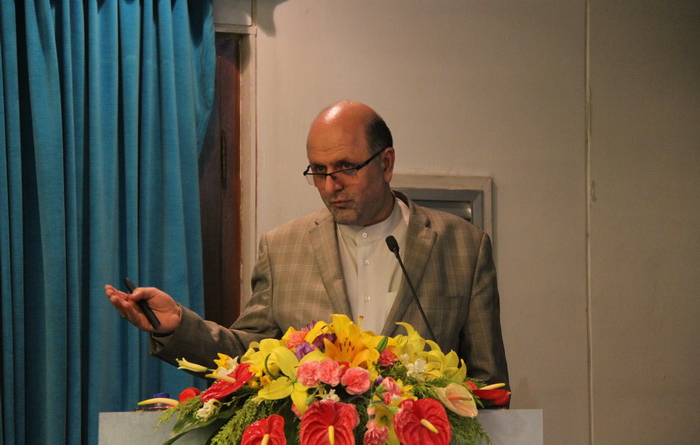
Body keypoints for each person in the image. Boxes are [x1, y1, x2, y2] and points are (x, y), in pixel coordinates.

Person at [105, 100, 509, 388]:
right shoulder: (282, 248)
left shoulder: (463, 247)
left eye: (346, 168)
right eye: (318, 170)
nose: (330, 186)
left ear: (386, 163)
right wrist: (178, 325)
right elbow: (248, 355)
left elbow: (489, 384)